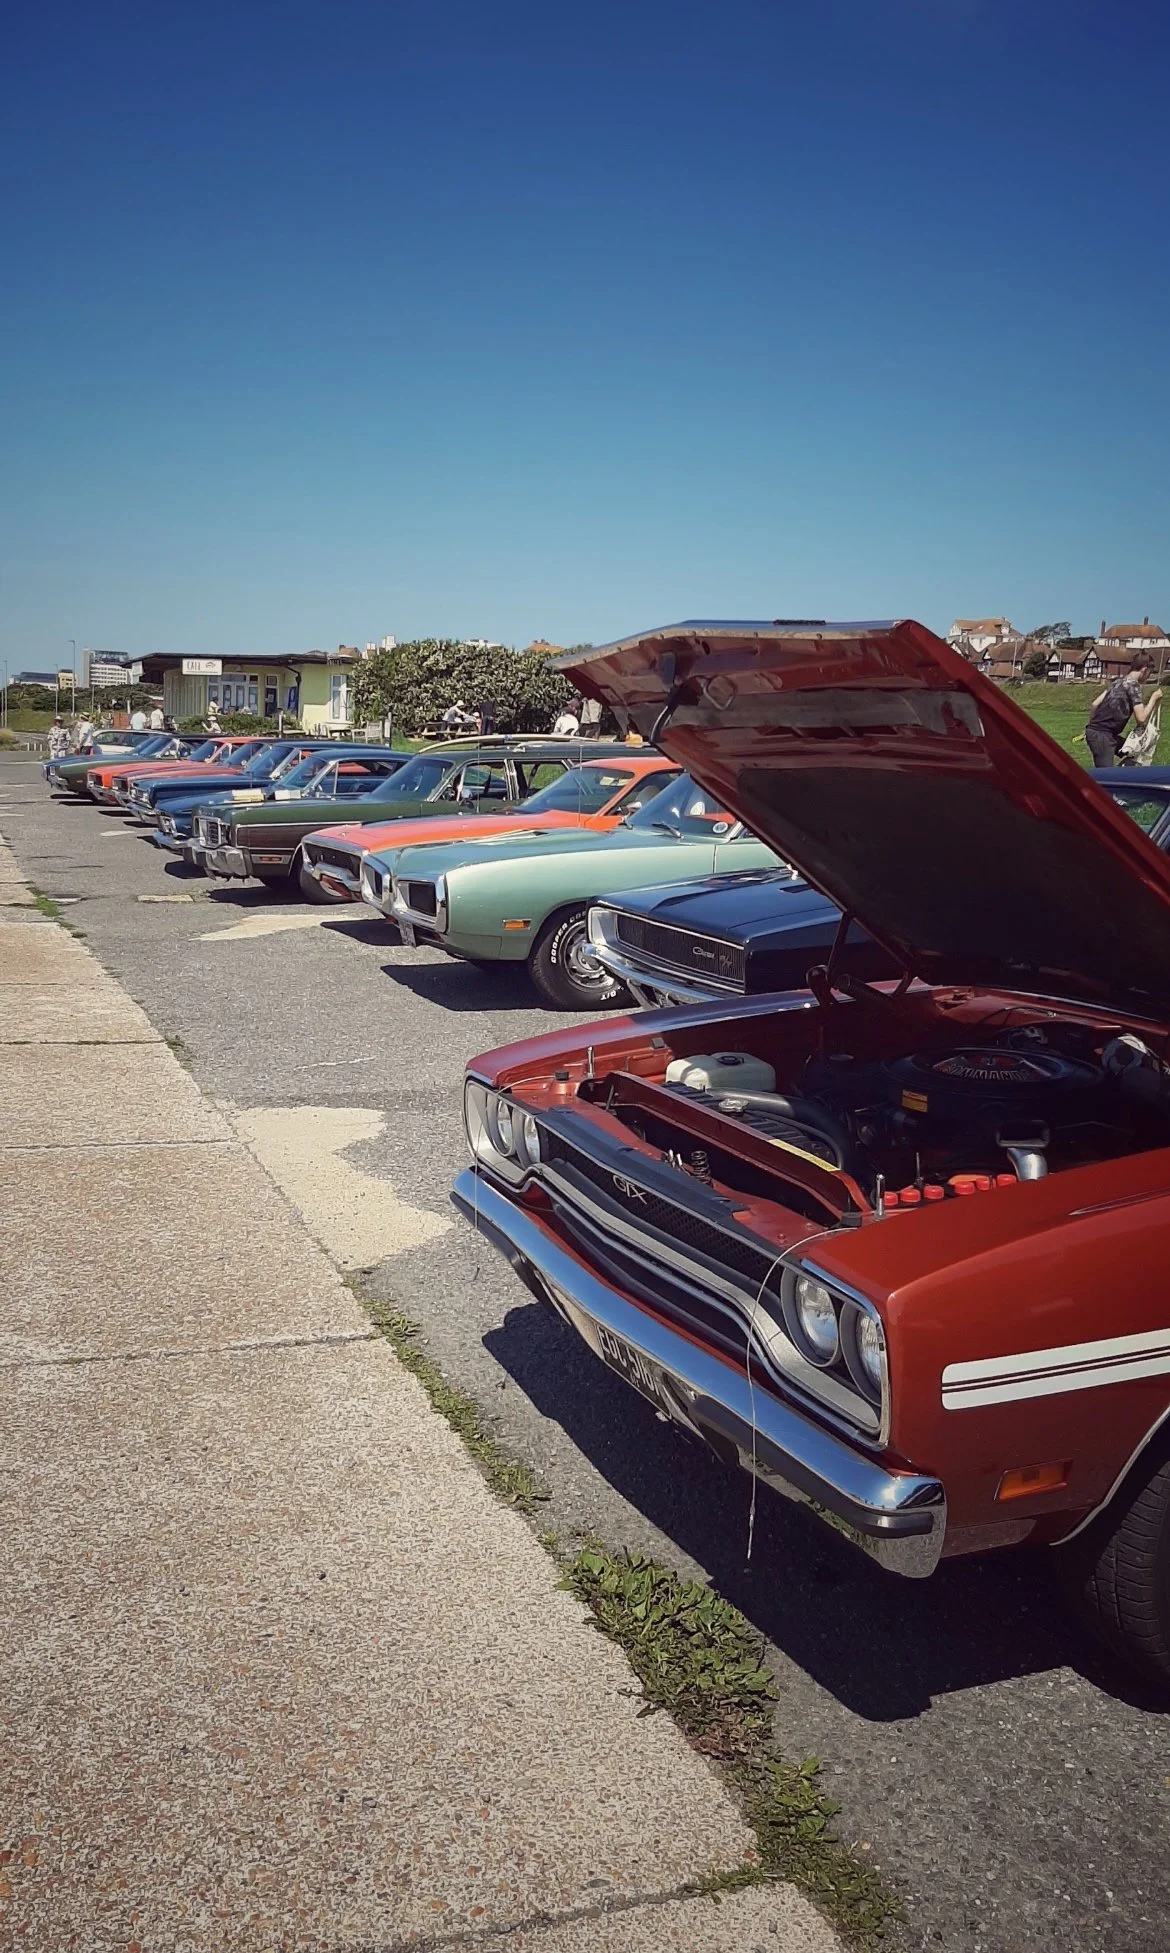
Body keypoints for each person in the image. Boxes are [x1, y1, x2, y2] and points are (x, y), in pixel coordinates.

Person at [1085, 653, 1162, 769]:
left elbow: (1095, 703)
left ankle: (1125, 776)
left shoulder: (1117, 682)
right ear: (1144, 669)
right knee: (1106, 775)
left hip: (1104, 734)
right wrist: (1153, 698)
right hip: (1102, 736)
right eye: (1149, 673)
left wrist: (1092, 726)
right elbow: (1141, 719)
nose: (1148, 677)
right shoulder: (1134, 686)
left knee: (1134, 753)